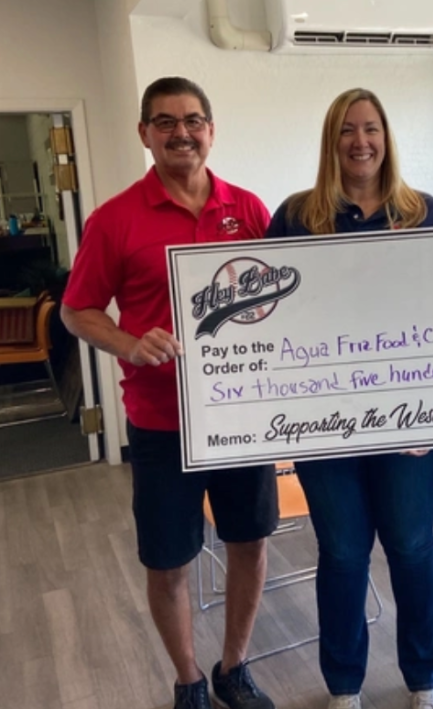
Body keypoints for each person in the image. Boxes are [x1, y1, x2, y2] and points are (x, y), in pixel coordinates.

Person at [60, 77, 278, 709]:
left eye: (193, 120)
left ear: (211, 129)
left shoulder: (249, 208)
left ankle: (233, 668)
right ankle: (188, 681)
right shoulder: (114, 219)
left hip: (242, 418)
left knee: (250, 542)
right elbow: (77, 311)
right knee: (169, 561)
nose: (181, 132)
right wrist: (129, 343)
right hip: (162, 423)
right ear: (144, 134)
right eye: (165, 122)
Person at [265, 88, 433, 709]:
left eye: (371, 128)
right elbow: (270, 323)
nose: (360, 141)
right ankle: (344, 686)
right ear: (330, 141)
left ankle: (425, 678)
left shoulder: (425, 212)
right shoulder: (295, 216)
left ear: (387, 137)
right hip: (324, 423)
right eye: (347, 130)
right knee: (343, 552)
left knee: (411, 544)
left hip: (411, 420)